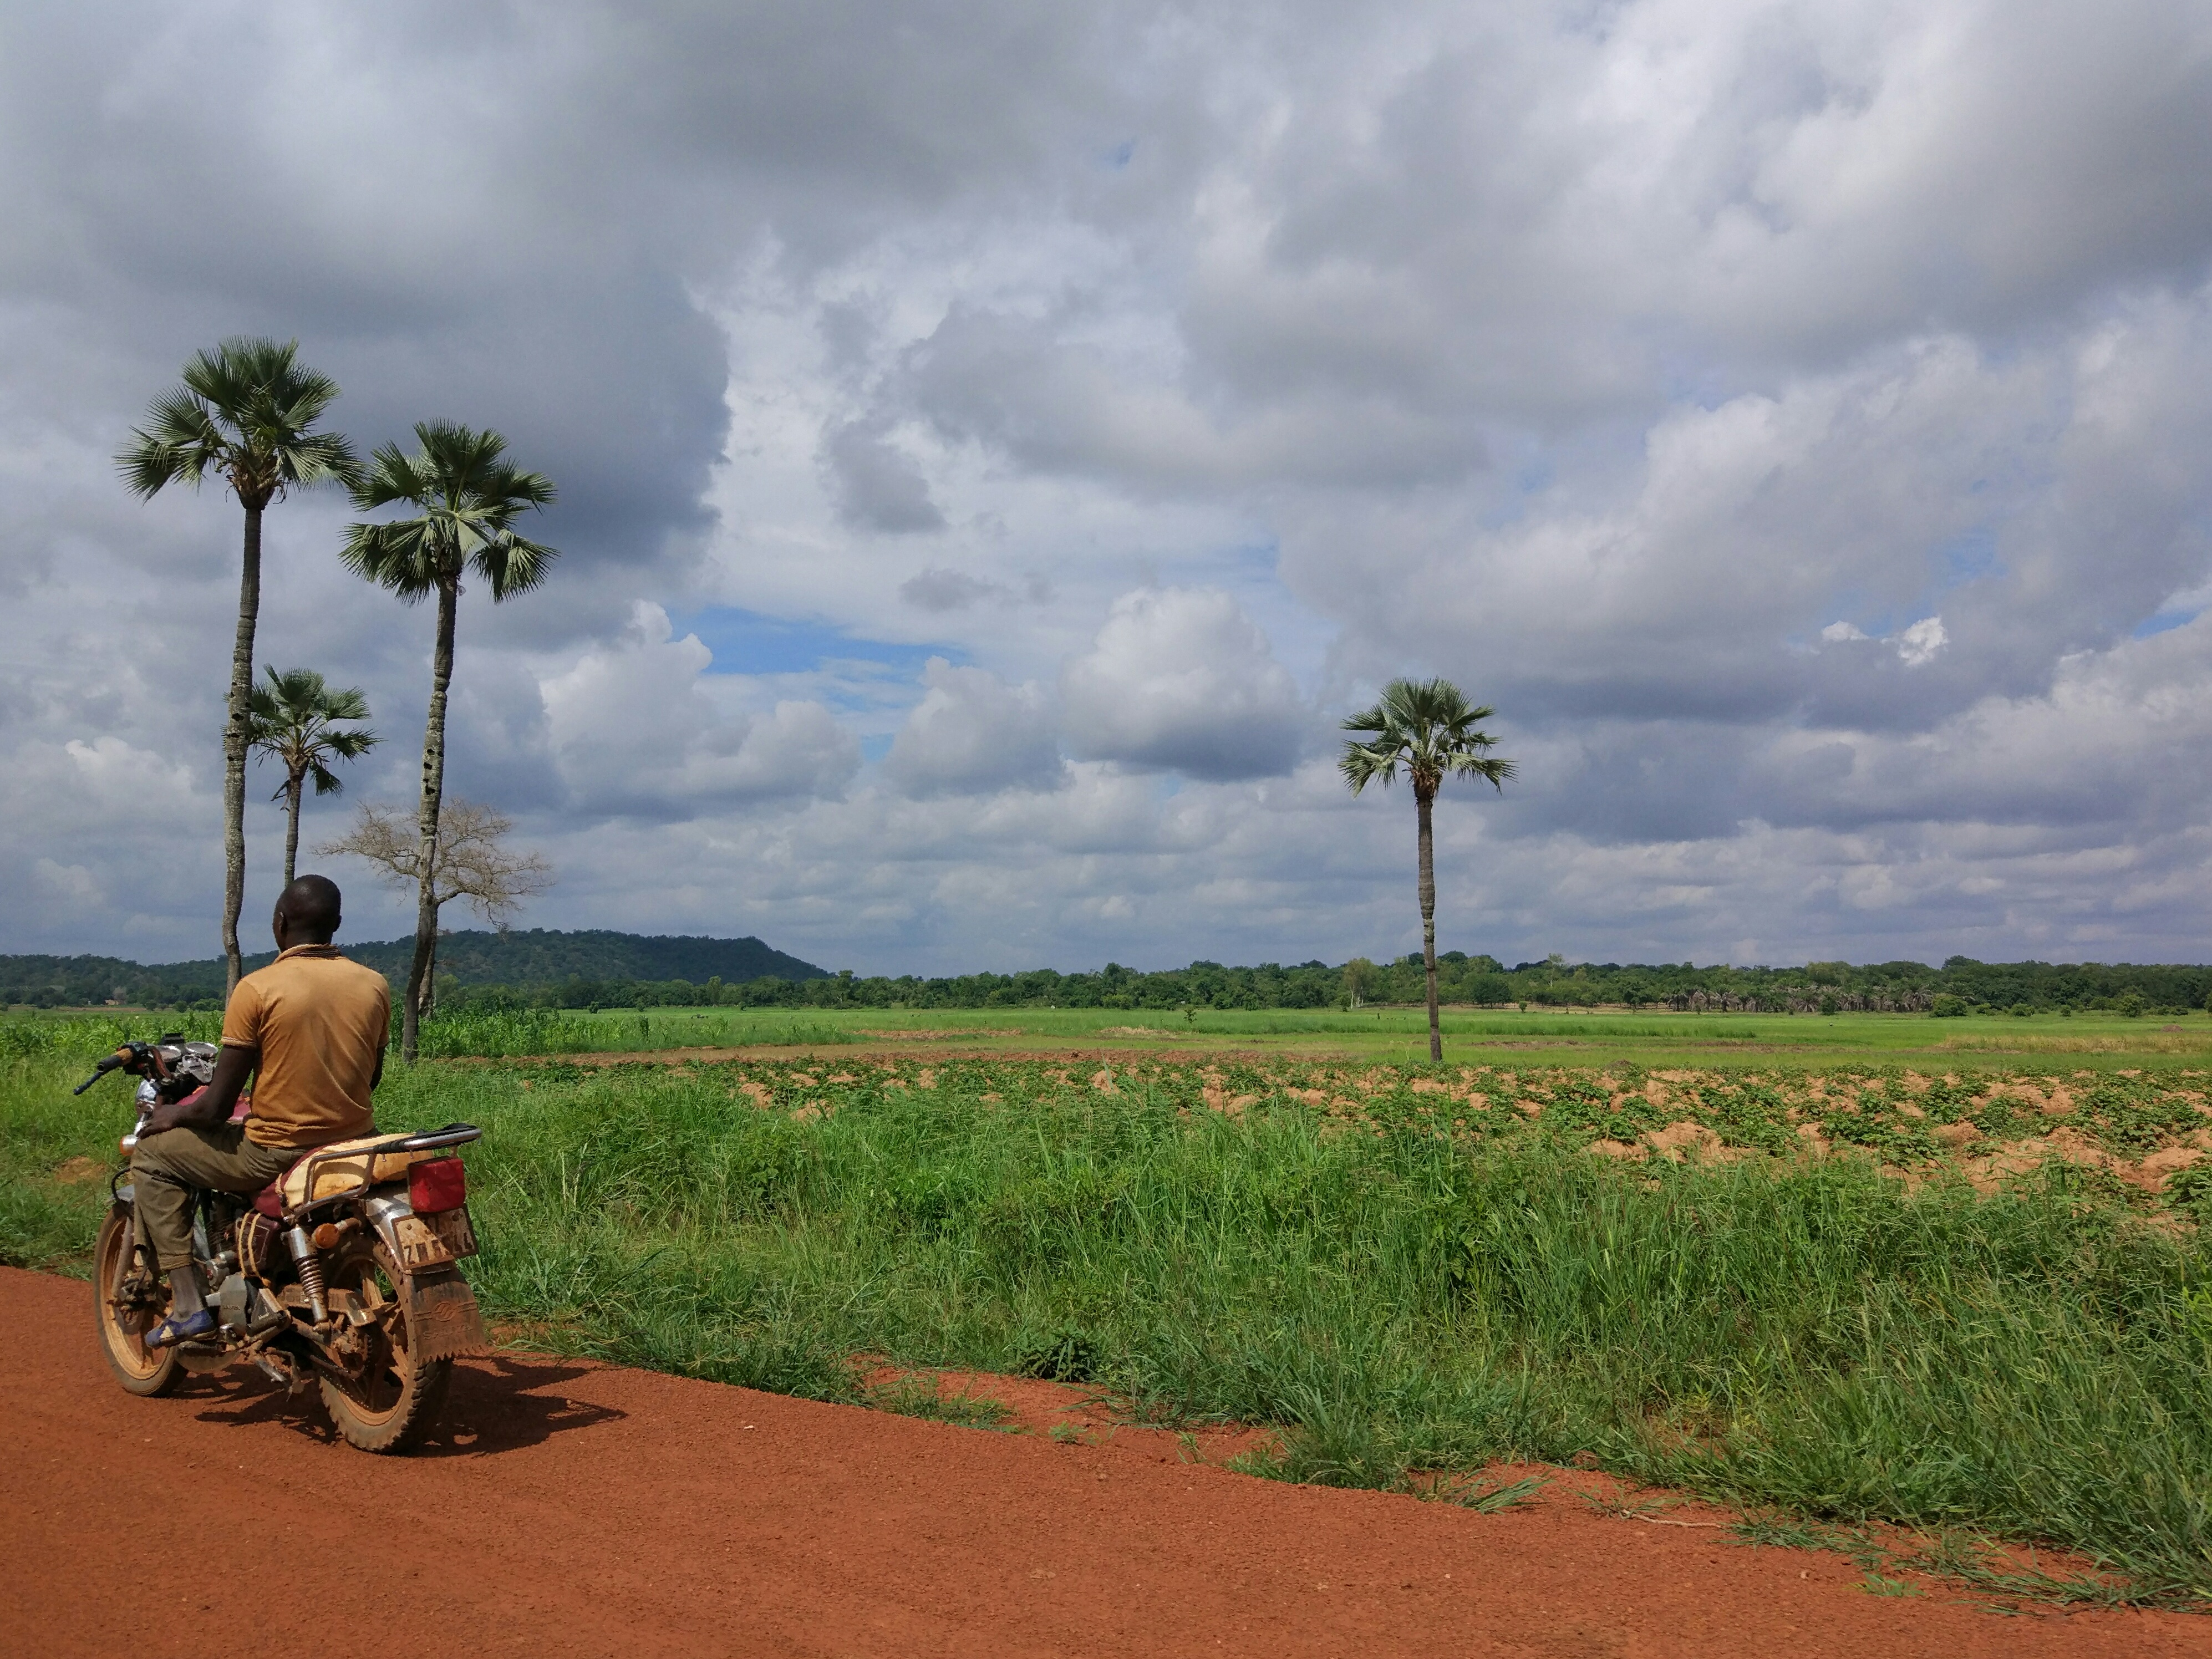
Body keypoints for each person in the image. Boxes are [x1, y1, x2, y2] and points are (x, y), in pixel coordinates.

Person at [133, 874, 391, 1348]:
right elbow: (369, 1078)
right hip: (354, 1146)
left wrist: (172, 1116)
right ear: (336, 924)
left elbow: (215, 1106)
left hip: (275, 1154)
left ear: (280, 923)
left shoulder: (257, 989)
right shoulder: (373, 984)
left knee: (151, 1157)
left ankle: (189, 1306)